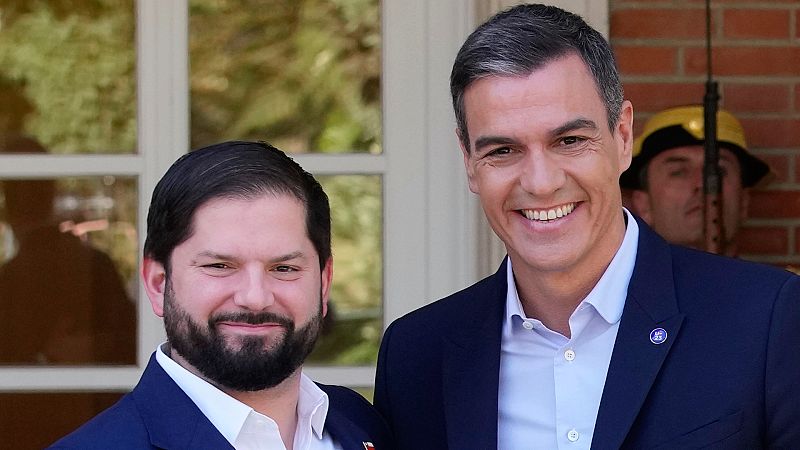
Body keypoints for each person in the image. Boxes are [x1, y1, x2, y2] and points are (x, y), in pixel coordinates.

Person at [373, 4, 800, 449]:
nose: (541, 183)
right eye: (503, 150)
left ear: (621, 138)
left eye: (570, 141)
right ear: (469, 163)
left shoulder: (766, 320)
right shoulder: (417, 355)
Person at [50, 141, 391, 449]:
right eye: (219, 266)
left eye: (284, 268)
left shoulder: (363, 426)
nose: (255, 298)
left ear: (323, 281)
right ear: (157, 283)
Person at [620, 105, 771, 256]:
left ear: (744, 201)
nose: (702, 183)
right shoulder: (617, 280)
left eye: (719, 171)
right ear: (643, 204)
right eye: (678, 172)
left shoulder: (782, 280)